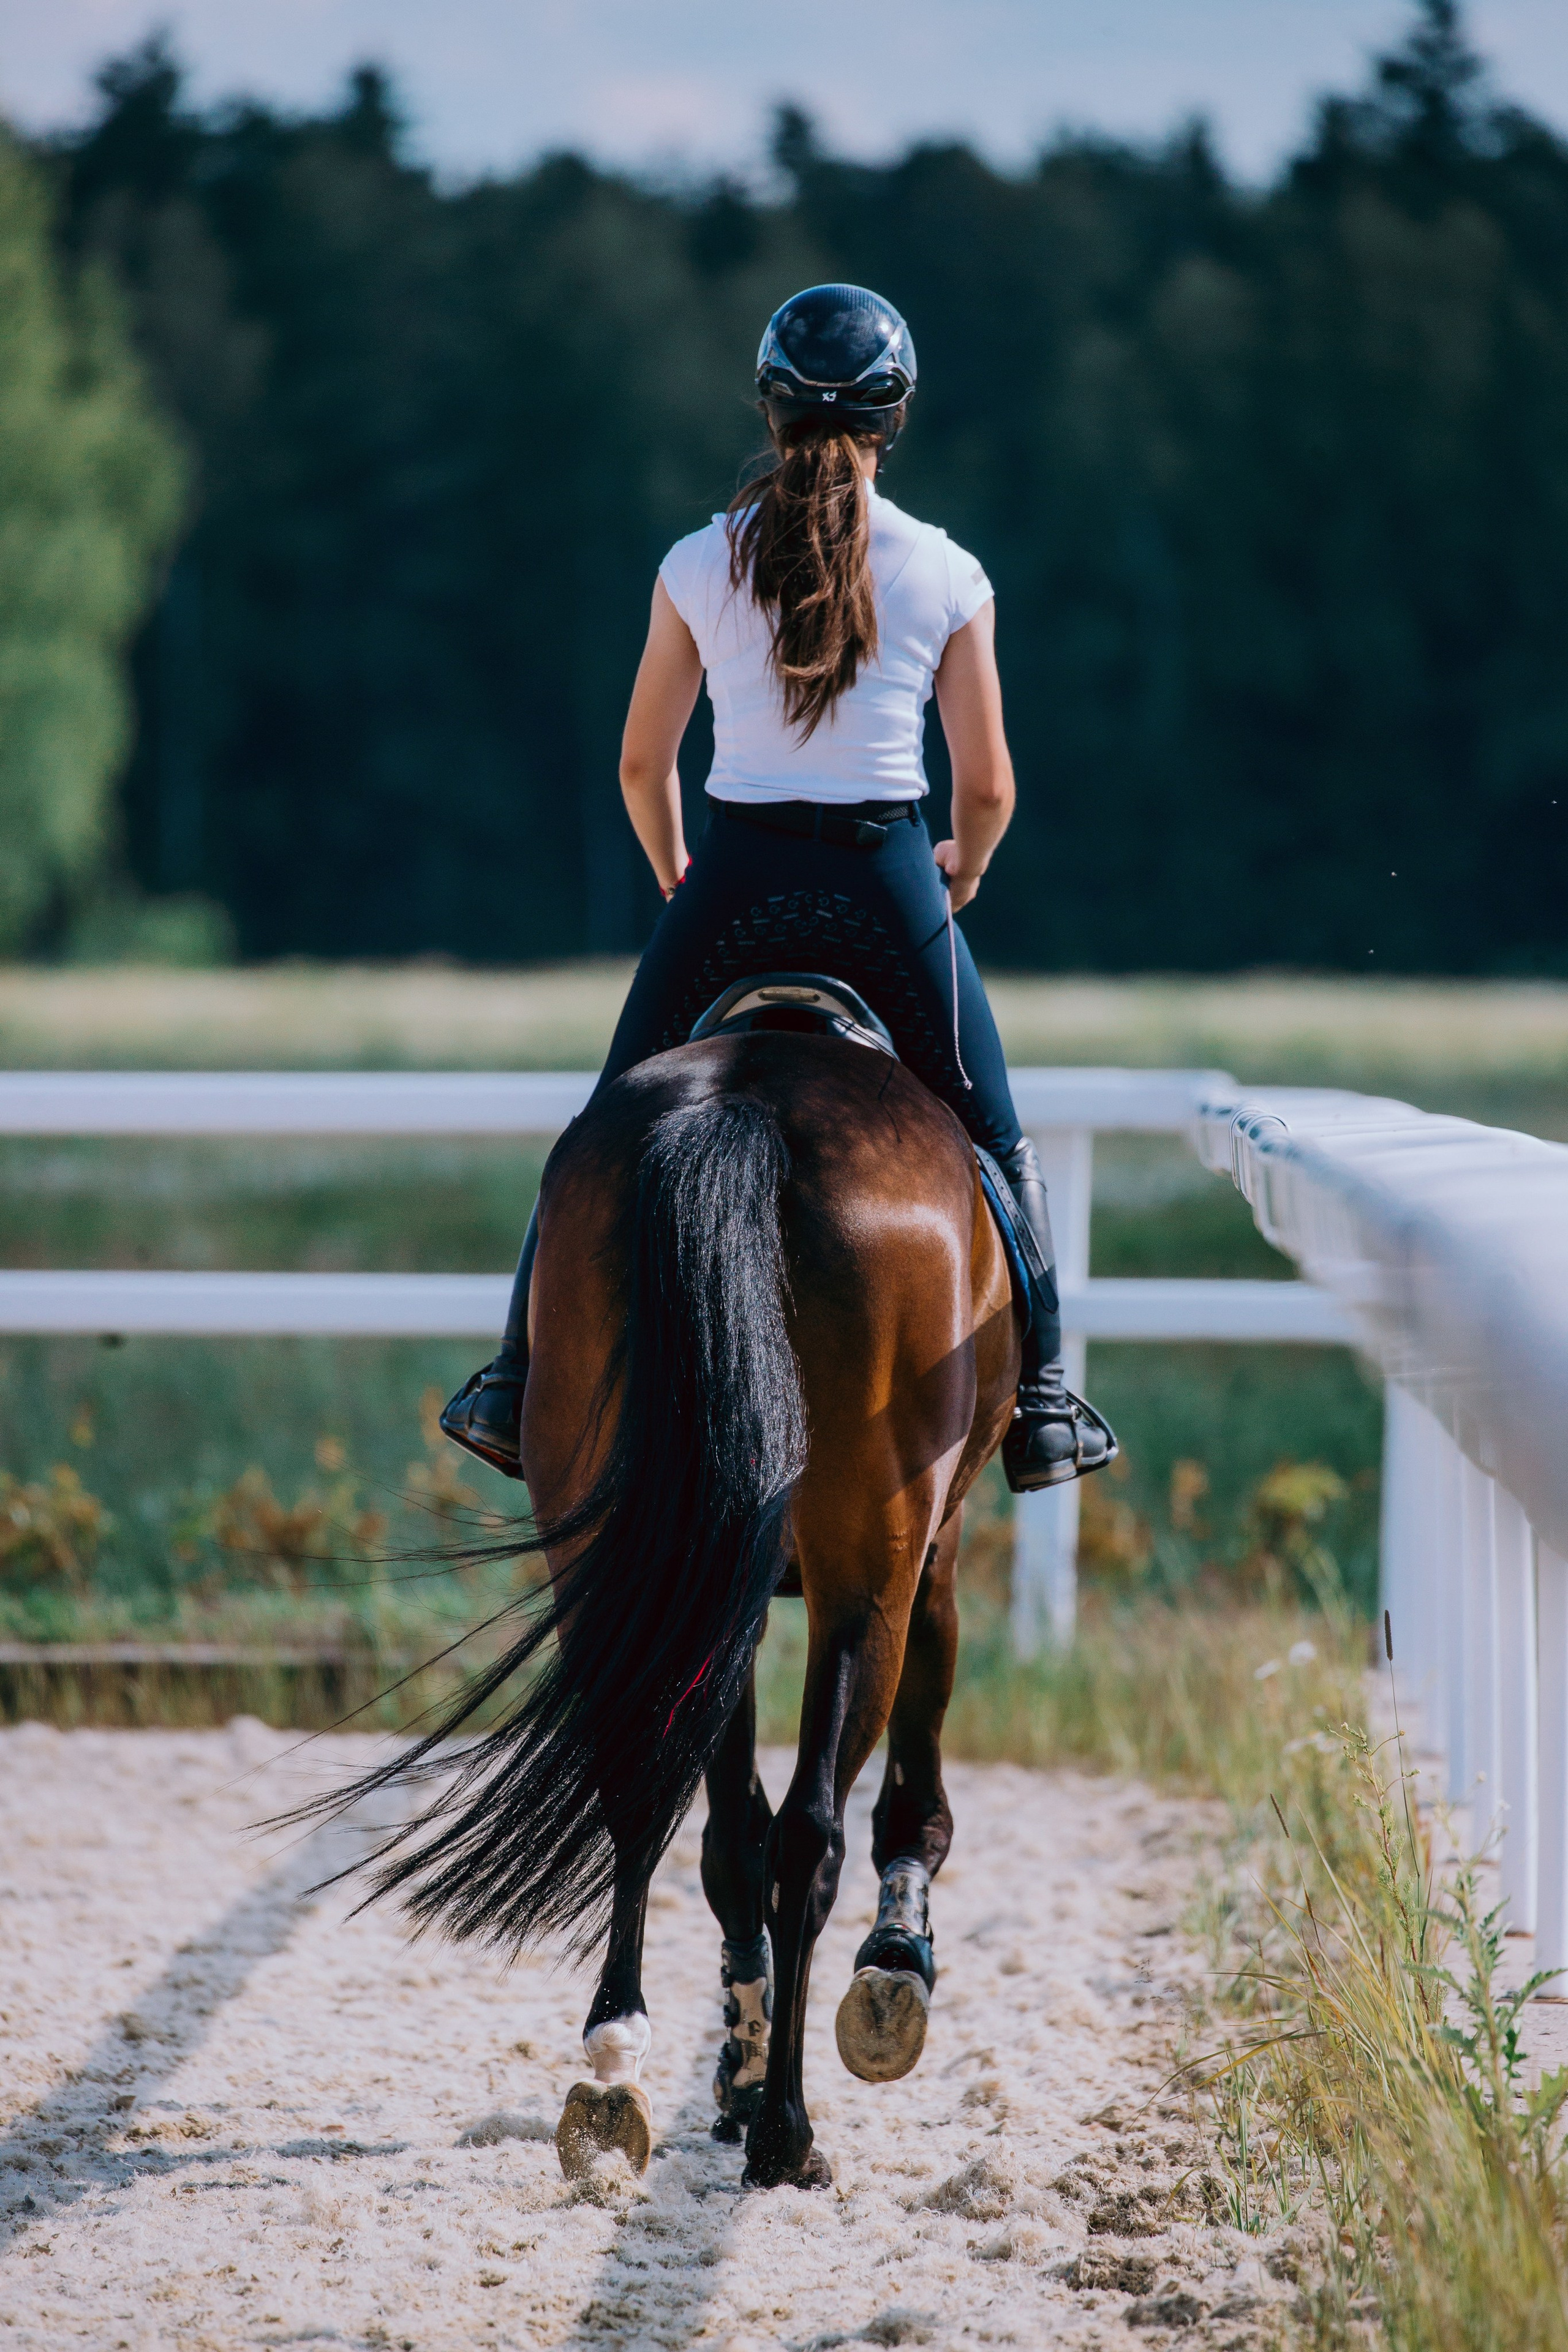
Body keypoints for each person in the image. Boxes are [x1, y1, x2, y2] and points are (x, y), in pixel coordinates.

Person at [441, 282, 1114, 1494]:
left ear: (770, 407)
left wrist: (673, 876)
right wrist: (961, 869)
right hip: (884, 880)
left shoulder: (699, 562)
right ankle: (1049, 1398)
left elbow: (644, 762)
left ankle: (511, 1378)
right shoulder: (949, 574)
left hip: (736, 878)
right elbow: (991, 788)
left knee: (603, 1124)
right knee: (995, 1134)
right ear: (894, 416)